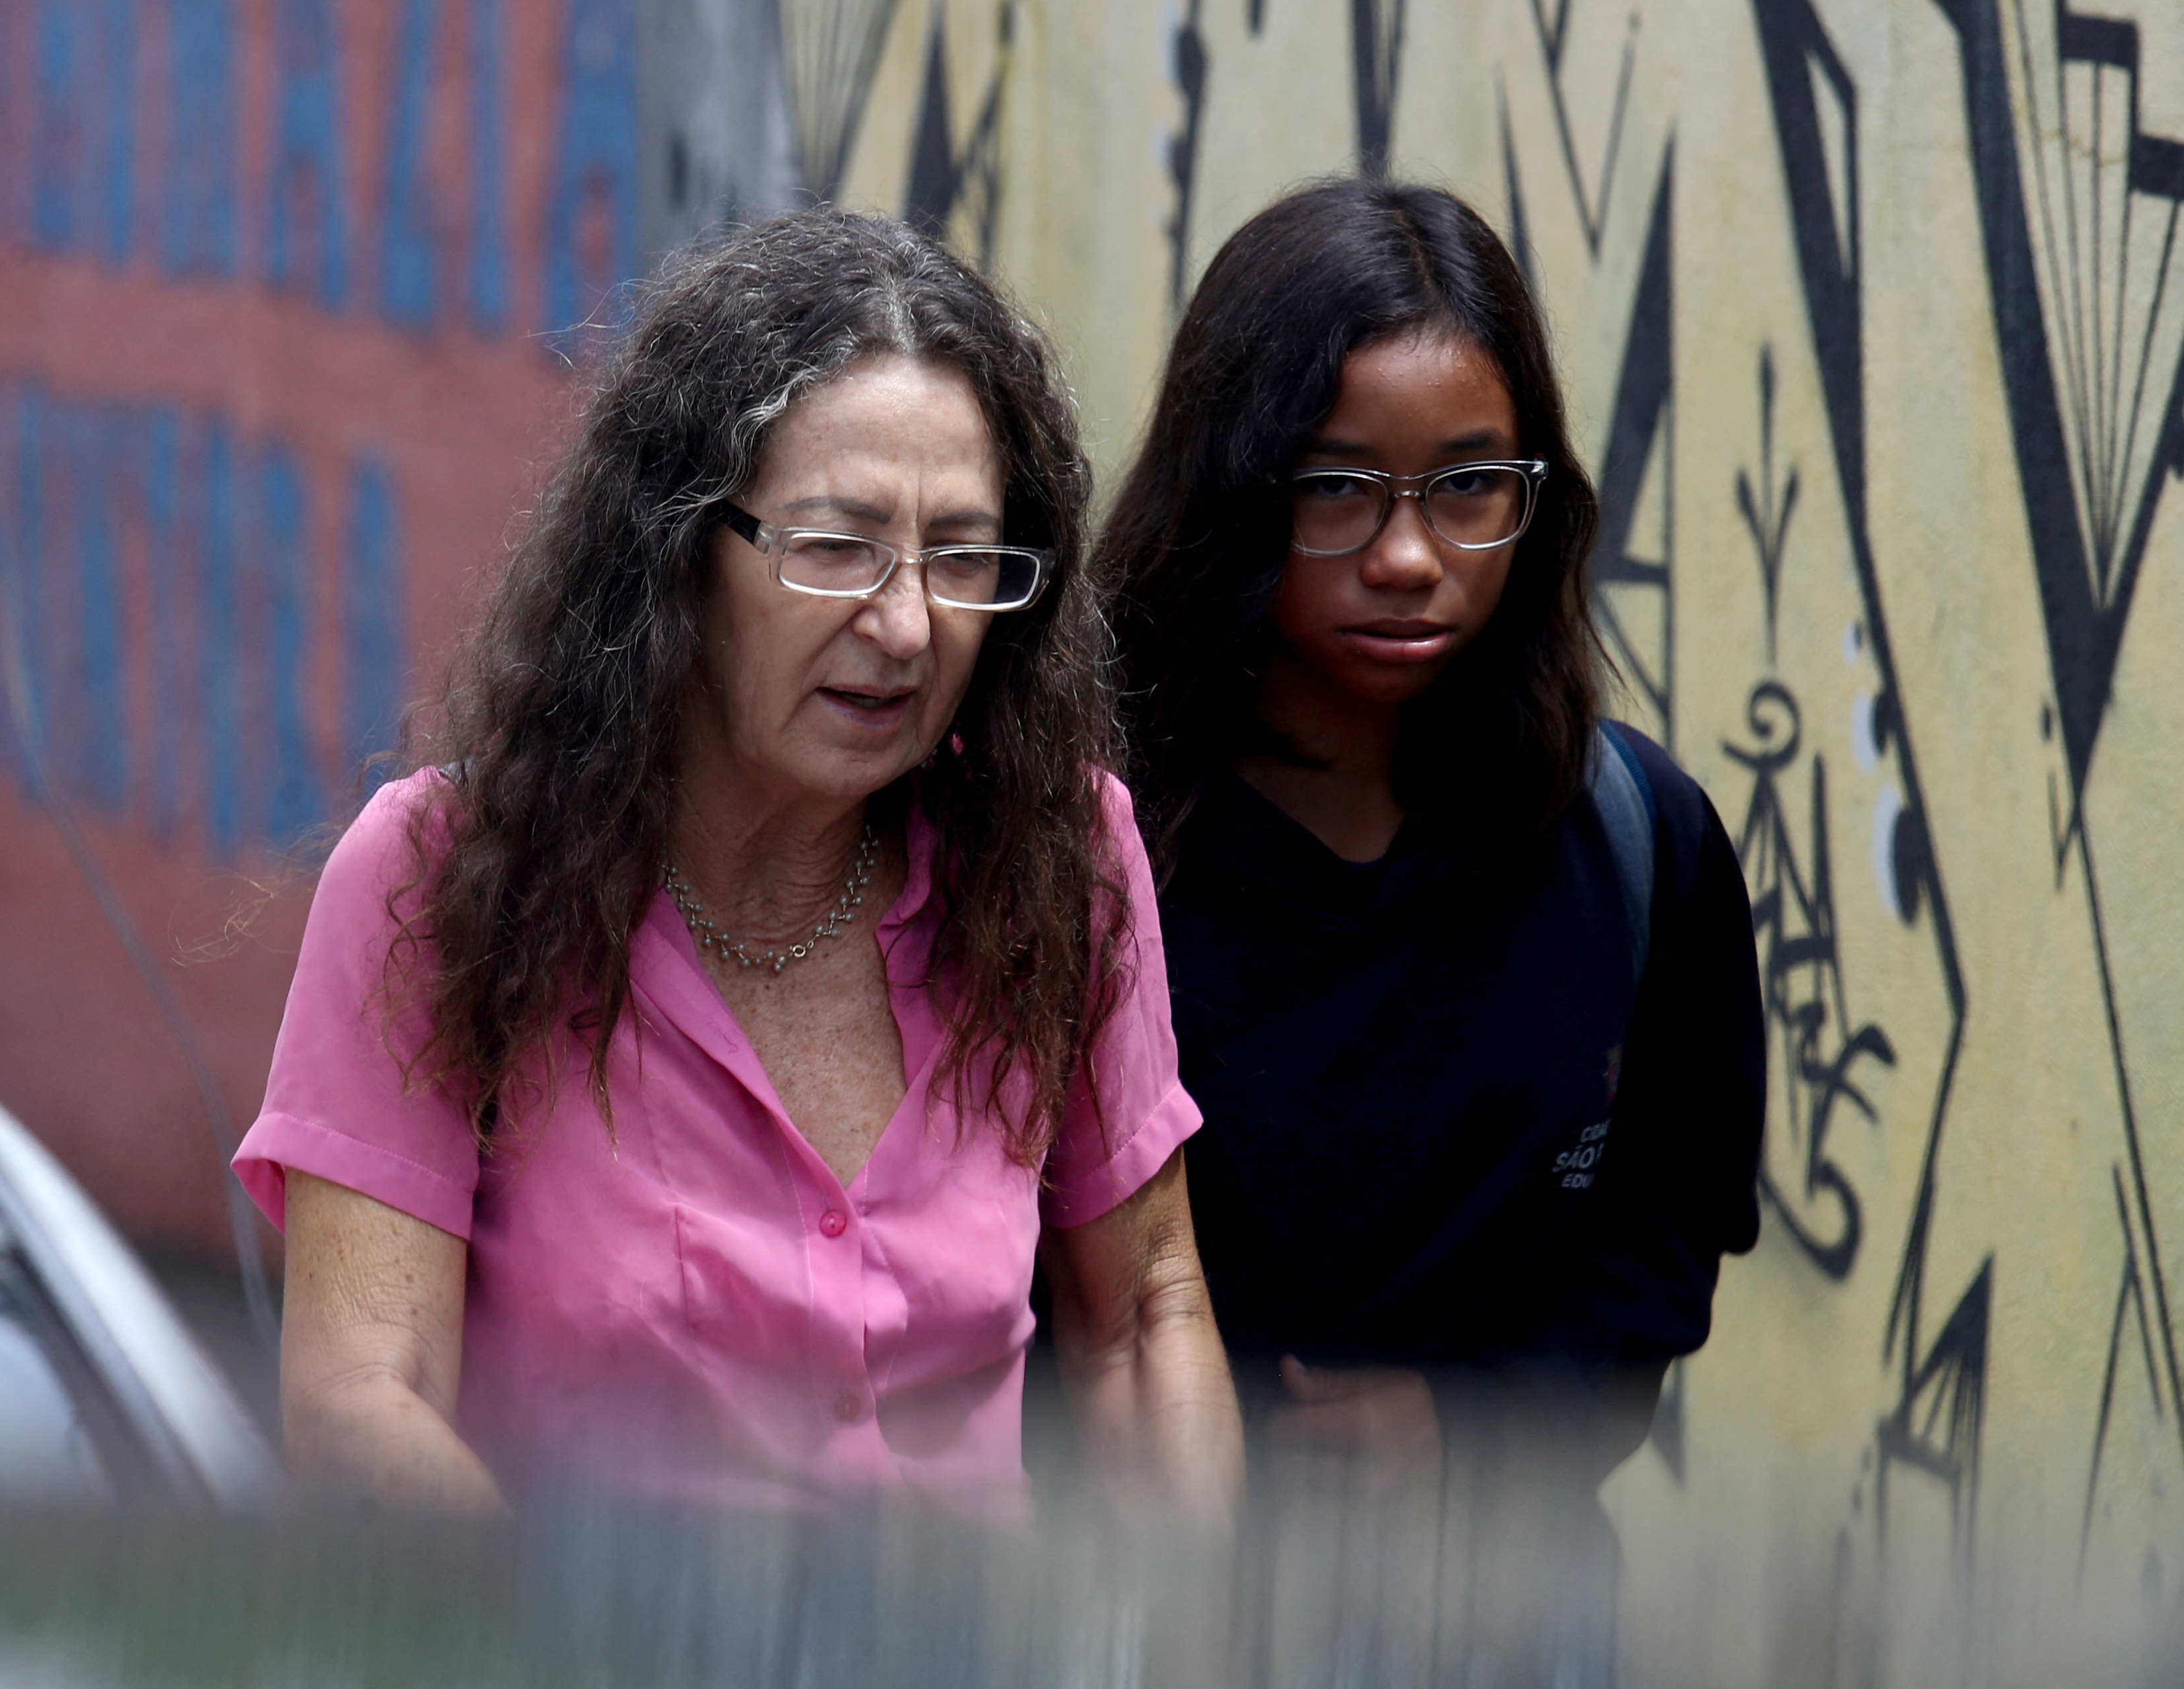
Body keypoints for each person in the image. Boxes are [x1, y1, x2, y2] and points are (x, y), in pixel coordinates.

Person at [232, 209, 1244, 1518]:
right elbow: (365, 1397)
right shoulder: (442, 882)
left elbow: (1148, 1316)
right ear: (683, 549)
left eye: (962, 556)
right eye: (836, 546)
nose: (904, 623)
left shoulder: (1060, 857)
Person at [1090, 175, 1762, 1522]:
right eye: (1335, 487)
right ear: (1234, 490)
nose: (1407, 555)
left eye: (1467, 486)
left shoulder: (1637, 842)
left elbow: (1665, 1240)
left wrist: (1481, 1425)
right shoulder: (1092, 846)